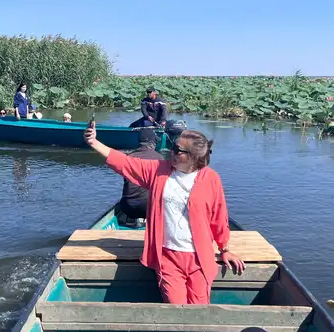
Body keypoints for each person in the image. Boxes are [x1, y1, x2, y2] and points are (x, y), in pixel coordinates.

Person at [84, 122, 245, 304]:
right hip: (168, 255)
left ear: (193, 157)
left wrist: (225, 249)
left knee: (200, 308)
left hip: (200, 257)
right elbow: (126, 163)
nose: (171, 151)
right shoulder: (159, 171)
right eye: (172, 146)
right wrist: (94, 142)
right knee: (176, 307)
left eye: (177, 149)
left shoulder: (211, 179)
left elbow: (219, 216)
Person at [115, 129, 163, 228]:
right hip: (149, 208)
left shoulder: (129, 157)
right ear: (152, 143)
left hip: (127, 207)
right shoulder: (159, 158)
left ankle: (131, 221)